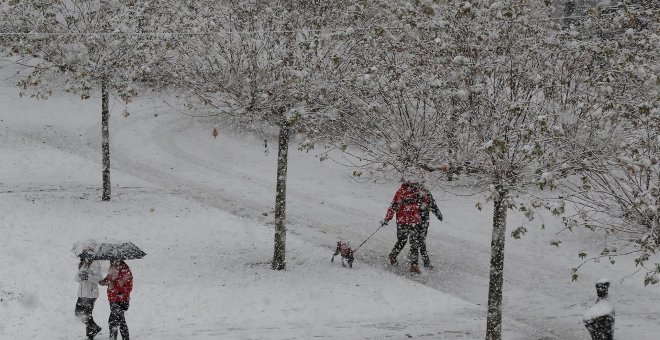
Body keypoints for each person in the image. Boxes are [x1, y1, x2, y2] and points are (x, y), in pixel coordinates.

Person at [382, 179, 423, 273]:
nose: (414, 185)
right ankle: (393, 255)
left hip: (414, 221)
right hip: (402, 221)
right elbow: (393, 206)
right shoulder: (400, 192)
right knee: (402, 240)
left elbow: (424, 204)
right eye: (413, 183)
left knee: (414, 243)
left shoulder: (418, 192)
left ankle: (414, 265)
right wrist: (387, 219)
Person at [99, 260, 133, 340]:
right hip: (113, 299)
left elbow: (129, 286)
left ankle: (114, 338)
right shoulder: (112, 267)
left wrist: (118, 290)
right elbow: (109, 279)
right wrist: (104, 281)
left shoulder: (124, 269)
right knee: (120, 321)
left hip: (121, 300)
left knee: (113, 321)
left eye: (112, 259)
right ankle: (125, 338)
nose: (110, 260)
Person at [75, 258, 103, 339]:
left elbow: (99, 278)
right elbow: (76, 279)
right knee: (78, 312)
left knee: (87, 314)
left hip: (91, 294)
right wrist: (80, 274)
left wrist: (88, 276)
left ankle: (90, 334)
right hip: (82, 294)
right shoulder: (83, 264)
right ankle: (94, 328)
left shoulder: (95, 263)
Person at [418, 185, 443, 269]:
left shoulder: (427, 193)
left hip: (423, 220)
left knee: (421, 240)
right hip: (415, 220)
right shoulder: (414, 193)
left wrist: (438, 214)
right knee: (418, 240)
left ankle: (423, 261)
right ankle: (424, 261)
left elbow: (433, 204)